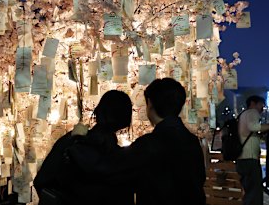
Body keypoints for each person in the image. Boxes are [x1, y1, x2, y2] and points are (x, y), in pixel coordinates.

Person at [76, 78, 206, 205]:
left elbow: (106, 167)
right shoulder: (192, 141)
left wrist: (77, 139)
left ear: (150, 103)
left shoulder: (151, 144)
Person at [34, 90, 134, 205]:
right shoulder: (124, 160)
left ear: (98, 111)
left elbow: (42, 180)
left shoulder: (70, 144)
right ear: (125, 121)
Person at [237, 95, 269, 205]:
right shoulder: (252, 112)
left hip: (241, 158)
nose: (262, 108)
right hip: (250, 159)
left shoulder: (242, 115)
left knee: (249, 190)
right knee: (254, 192)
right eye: (261, 104)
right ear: (253, 103)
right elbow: (254, 127)